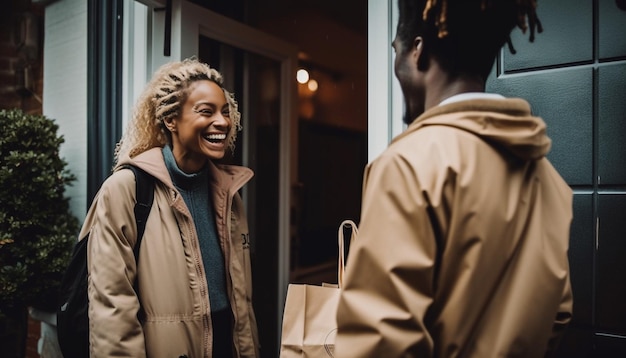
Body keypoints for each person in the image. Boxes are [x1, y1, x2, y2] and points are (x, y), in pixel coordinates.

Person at [335, 1, 573, 357]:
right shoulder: (549, 180)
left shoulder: (409, 165)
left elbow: (380, 343)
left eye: (396, 51)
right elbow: (558, 315)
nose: (395, 67)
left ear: (417, 51)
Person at [82, 58, 259, 357]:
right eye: (206, 111)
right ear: (171, 120)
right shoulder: (126, 189)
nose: (223, 122)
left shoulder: (231, 195)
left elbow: (242, 303)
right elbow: (111, 307)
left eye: (226, 112)